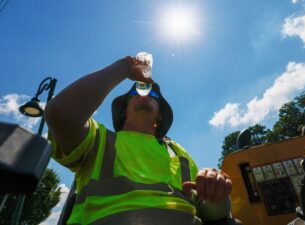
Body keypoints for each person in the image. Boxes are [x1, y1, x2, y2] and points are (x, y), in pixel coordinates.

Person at [45, 56, 242, 225]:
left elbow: (215, 215)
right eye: (136, 92)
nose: (145, 92)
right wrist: (123, 68)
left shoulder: (179, 153)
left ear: (160, 116)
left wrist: (216, 188)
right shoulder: (100, 139)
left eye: (153, 94)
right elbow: (59, 112)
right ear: (124, 110)